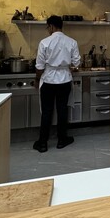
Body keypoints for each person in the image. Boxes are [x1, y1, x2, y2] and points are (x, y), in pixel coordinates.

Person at [33, 15, 81, 153]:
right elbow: (76, 63)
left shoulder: (44, 42)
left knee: (47, 112)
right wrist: (67, 67)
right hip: (65, 80)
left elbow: (39, 66)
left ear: (52, 26)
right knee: (62, 110)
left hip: (48, 80)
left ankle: (43, 143)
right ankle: (62, 140)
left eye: (48, 27)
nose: (48, 30)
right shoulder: (72, 42)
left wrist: (37, 79)